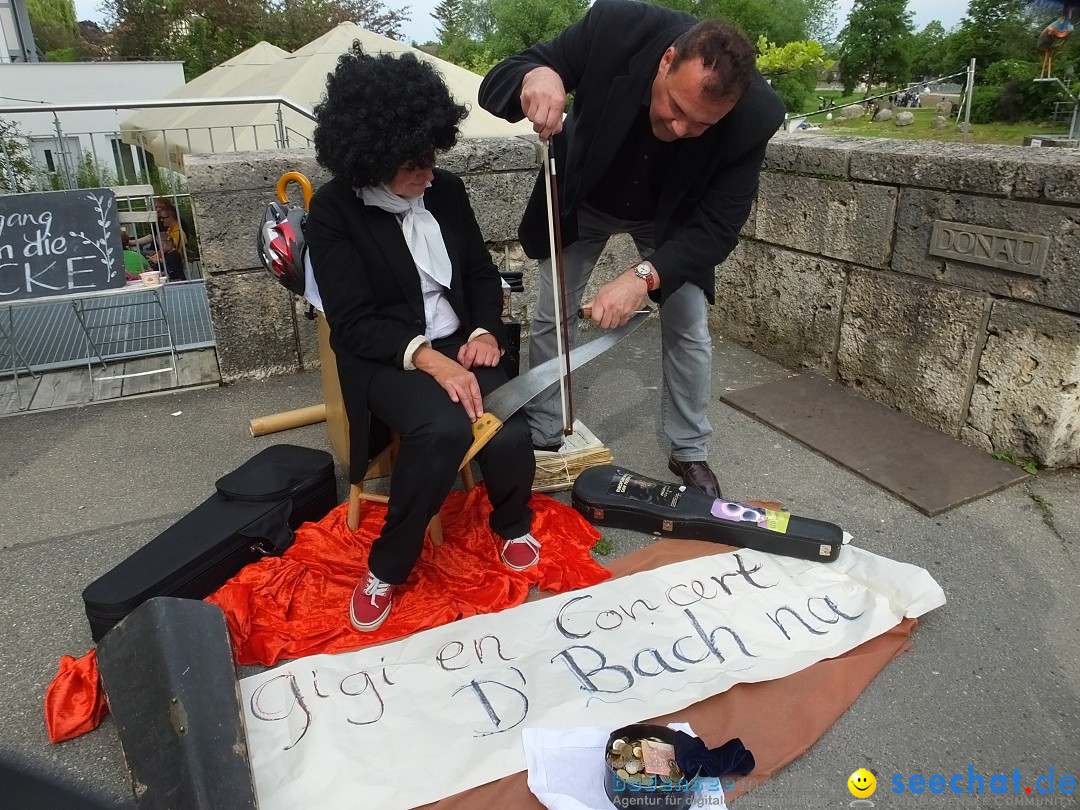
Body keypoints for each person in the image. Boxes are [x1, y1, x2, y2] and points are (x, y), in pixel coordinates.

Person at [479, 0, 786, 499]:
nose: (683, 130)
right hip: (586, 193)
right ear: (666, 60)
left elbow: (717, 228)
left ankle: (689, 450)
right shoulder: (615, 27)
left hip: (670, 219)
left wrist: (642, 275)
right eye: (678, 109)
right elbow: (500, 78)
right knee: (550, 314)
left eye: (703, 125)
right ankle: (545, 430)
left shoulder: (757, 117)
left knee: (688, 326)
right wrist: (537, 75)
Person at [305, 46, 538, 632]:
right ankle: (387, 567)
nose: (428, 174)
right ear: (373, 157)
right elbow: (352, 321)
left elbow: (481, 274)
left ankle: (512, 523)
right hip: (387, 354)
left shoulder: (447, 189)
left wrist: (483, 330)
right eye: (413, 166)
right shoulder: (334, 209)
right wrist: (431, 360)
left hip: (459, 338)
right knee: (441, 430)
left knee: (509, 423)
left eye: (432, 159)